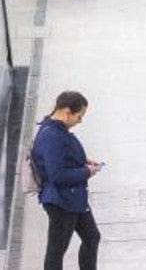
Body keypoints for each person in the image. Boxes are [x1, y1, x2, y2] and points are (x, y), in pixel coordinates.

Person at [32, 91, 102, 270]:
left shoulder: (55, 129)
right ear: (66, 111)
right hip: (61, 202)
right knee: (56, 251)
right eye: (79, 116)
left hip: (73, 198)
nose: (80, 121)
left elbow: (60, 158)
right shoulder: (52, 136)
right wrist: (86, 172)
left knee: (92, 237)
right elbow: (57, 175)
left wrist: (83, 162)